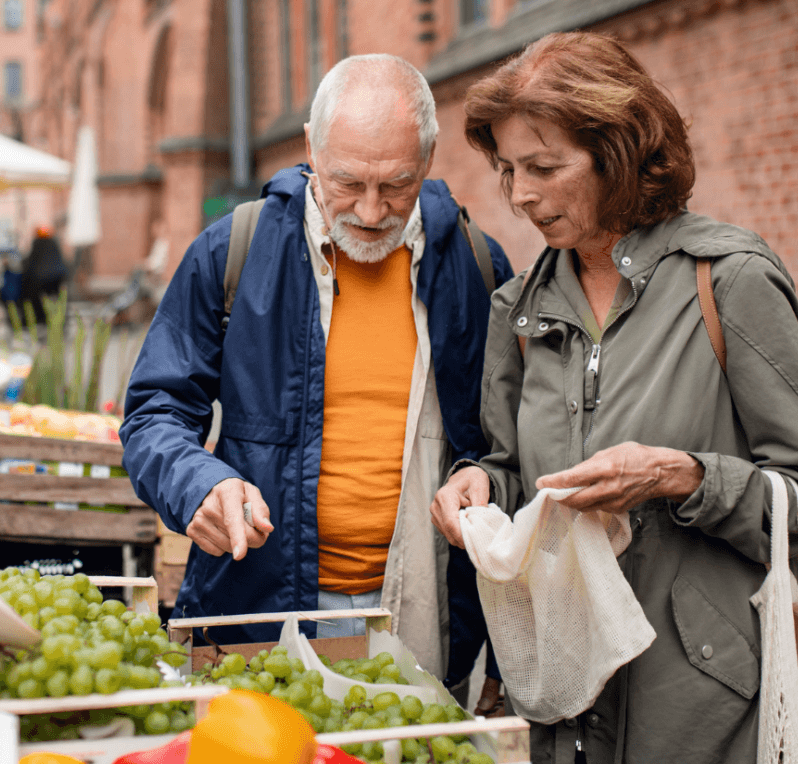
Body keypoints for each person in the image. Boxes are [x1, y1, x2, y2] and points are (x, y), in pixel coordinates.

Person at [430, 31, 798, 762]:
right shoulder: (517, 308)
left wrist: (685, 478)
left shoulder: (728, 280)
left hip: (707, 710)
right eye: (509, 169)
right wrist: (477, 484)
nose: (519, 195)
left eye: (544, 167)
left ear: (619, 153)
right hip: (565, 707)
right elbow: (514, 471)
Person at [121, 54, 513, 692]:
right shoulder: (230, 252)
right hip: (259, 613)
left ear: (430, 159)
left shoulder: (479, 267)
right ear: (311, 145)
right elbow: (155, 413)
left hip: (423, 621)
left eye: (395, 186)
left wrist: (485, 475)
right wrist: (195, 484)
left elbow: (510, 445)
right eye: (346, 182)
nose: (369, 210)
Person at [21, 225, 68, 325]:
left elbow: (31, 261)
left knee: (30, 292)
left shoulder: (38, 242)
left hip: (43, 278)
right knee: (56, 298)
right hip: (58, 277)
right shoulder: (54, 242)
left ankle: (39, 319)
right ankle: (57, 320)